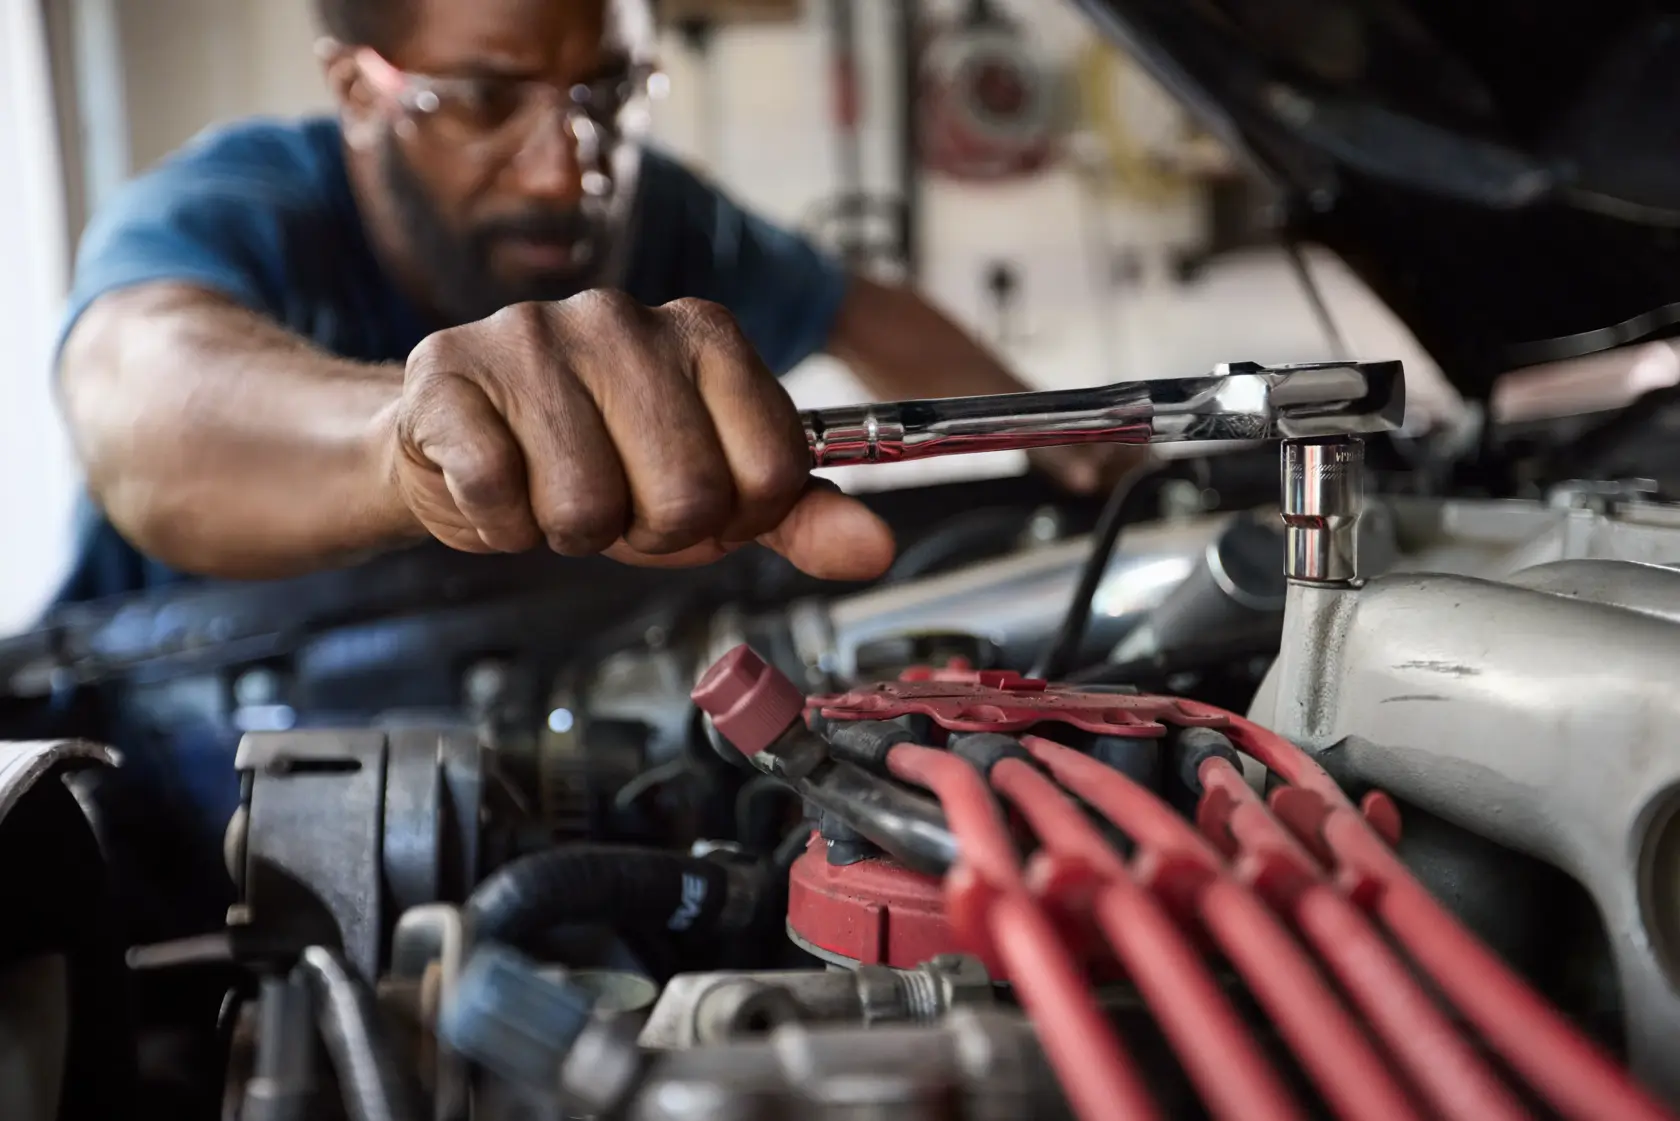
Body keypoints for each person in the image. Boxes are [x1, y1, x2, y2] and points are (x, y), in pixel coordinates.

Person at [53, 0, 1136, 605]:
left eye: (605, 98)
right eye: (485, 101)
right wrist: (408, 444)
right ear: (356, 89)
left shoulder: (653, 220)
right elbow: (141, 402)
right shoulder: (239, 202)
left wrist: (1082, 449)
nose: (566, 172)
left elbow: (861, 306)